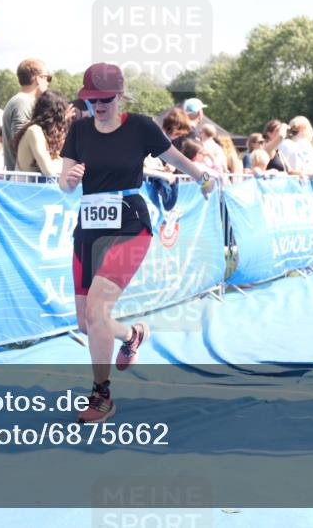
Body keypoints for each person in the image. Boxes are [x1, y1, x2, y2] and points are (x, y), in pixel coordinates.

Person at [60, 64, 214, 424]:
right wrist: (70, 179)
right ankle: (132, 335)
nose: (98, 106)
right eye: (92, 100)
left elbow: (175, 158)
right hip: (89, 227)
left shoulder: (140, 126)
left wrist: (203, 177)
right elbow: (64, 184)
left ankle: (101, 397)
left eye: (105, 99)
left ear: (119, 95)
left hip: (130, 223)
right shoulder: (79, 130)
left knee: (97, 311)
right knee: (87, 322)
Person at [2, 59, 51, 170]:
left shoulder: (22, 101)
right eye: (47, 78)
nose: (48, 83)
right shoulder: (22, 103)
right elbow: (19, 143)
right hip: (23, 178)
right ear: (38, 79)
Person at [13, 89, 69, 177]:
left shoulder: (41, 132)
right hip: (25, 185)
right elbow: (49, 171)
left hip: (31, 185)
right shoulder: (34, 131)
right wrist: (69, 167)